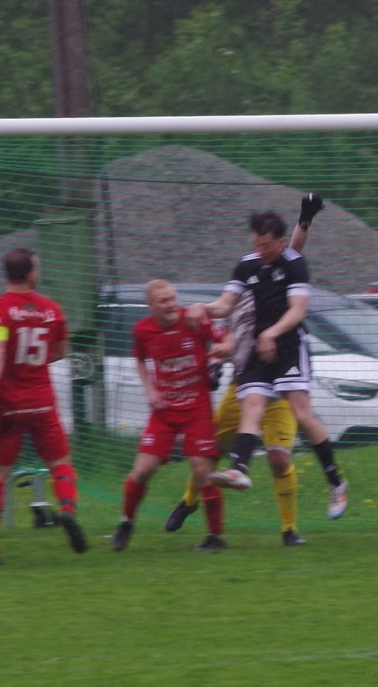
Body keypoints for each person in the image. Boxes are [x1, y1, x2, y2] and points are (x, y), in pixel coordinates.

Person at [166, 193, 325, 546]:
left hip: (279, 388)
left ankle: (289, 530)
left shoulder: (280, 282)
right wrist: (215, 357)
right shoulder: (240, 293)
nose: (262, 255)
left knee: (279, 461)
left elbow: (292, 252)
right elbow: (225, 335)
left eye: (266, 247)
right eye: (257, 248)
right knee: (210, 450)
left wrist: (305, 219)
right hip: (244, 386)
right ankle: (188, 501)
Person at [0, 248, 88, 565]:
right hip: (40, 402)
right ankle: (67, 510)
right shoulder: (51, 309)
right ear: (30, 275)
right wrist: (33, 363)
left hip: (8, 405)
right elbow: (61, 351)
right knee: (60, 462)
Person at [111, 279, 227, 552]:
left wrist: (216, 360)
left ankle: (215, 536)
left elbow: (226, 340)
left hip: (197, 408)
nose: (171, 304)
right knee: (142, 470)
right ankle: (126, 522)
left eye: (173, 298)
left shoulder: (193, 320)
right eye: (163, 301)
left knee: (203, 471)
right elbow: (140, 360)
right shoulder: (142, 330)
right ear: (150, 306)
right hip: (164, 411)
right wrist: (150, 390)